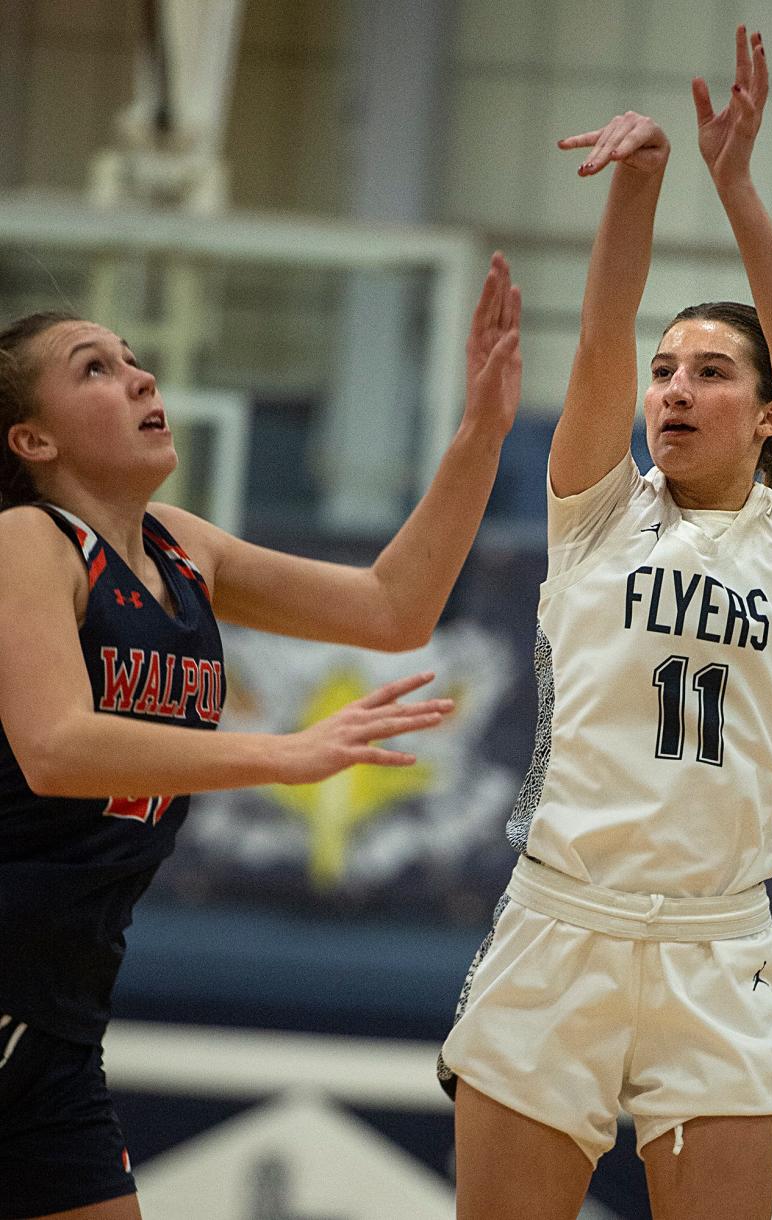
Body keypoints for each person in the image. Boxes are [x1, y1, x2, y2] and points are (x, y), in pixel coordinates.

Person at [439, 28, 772, 1220]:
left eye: (713, 372)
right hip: (558, 920)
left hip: (718, 943)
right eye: (667, 369)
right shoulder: (592, 515)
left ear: (770, 413)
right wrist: (638, 183)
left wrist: (734, 188)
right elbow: (599, 336)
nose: (675, 386)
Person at [0, 251, 520, 1220]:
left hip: (60, 1016)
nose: (140, 376)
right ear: (32, 438)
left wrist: (480, 433)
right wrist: (284, 752)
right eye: (94, 369)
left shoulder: (179, 544)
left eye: (129, 357)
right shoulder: (27, 541)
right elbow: (56, 746)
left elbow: (392, 608)